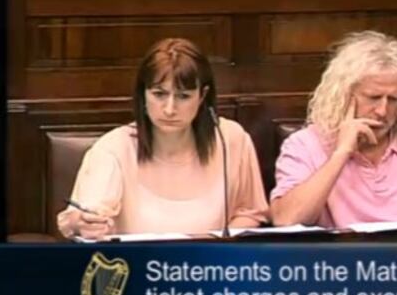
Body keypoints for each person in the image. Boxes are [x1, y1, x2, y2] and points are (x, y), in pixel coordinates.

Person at [57, 38, 269, 239]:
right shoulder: (113, 149)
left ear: (202, 96)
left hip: (213, 263)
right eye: (159, 94)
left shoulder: (231, 139)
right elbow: (85, 215)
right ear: (143, 93)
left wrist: (209, 250)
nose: (169, 109)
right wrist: (85, 224)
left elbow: (250, 213)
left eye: (183, 96)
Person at [270, 31, 397, 228]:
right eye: (373, 97)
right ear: (344, 96)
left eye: (393, 99)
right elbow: (286, 219)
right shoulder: (305, 145)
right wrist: (341, 153)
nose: (382, 111)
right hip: (344, 248)